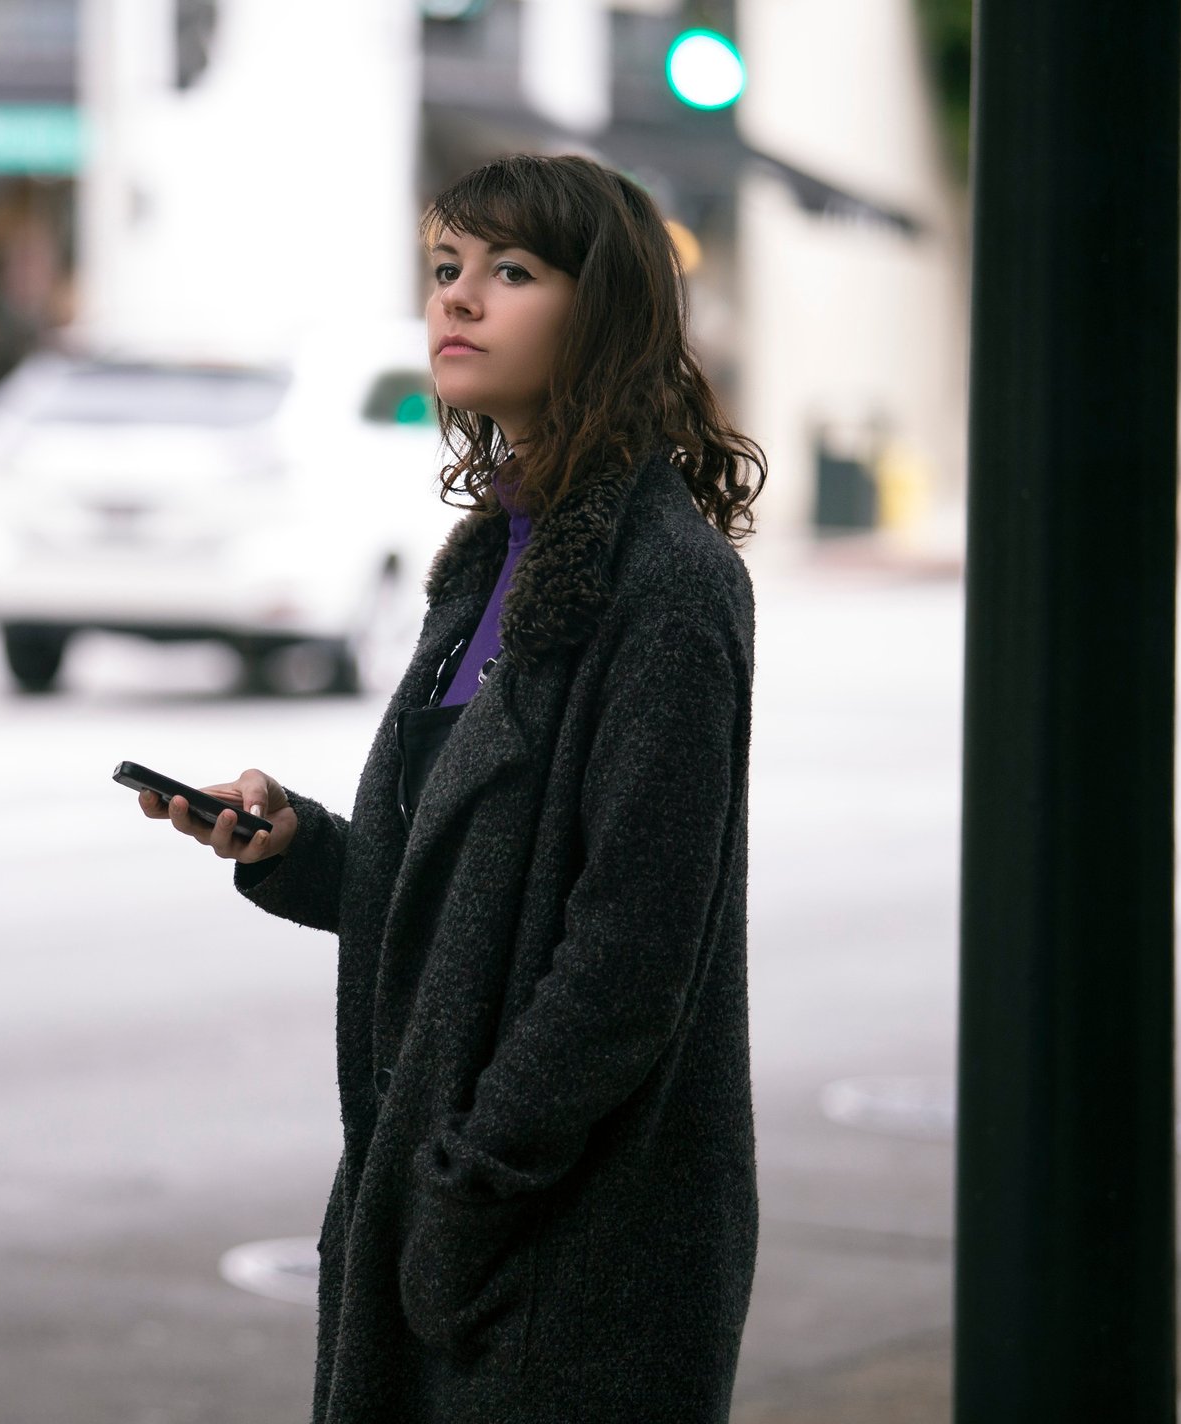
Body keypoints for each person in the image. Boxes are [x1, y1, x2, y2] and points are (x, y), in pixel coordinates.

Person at [137, 153, 768, 1421]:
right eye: (444, 271)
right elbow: (462, 879)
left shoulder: (669, 586)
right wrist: (298, 847)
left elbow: (630, 944)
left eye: (509, 272)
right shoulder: (489, 560)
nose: (456, 302)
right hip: (437, 1197)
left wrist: (472, 1181)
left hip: (572, 1229)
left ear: (607, 312)